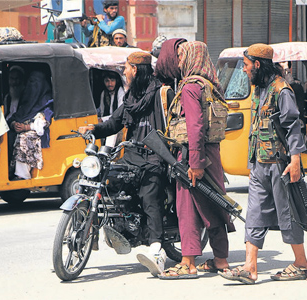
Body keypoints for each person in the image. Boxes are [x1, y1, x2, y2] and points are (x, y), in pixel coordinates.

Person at [221, 43, 307, 285]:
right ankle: (250, 267)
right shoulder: (260, 89)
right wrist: (252, 164)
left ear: (258, 65)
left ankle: (301, 263)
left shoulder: (282, 90)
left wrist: (295, 160)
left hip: (280, 164)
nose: (245, 71)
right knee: (255, 213)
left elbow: (293, 126)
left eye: (247, 66)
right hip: (259, 164)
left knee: (287, 213)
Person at [79, 52, 171, 277]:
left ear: (136, 70)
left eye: (127, 68)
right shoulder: (131, 98)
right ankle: (123, 229)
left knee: (151, 200)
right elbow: (114, 123)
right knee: (112, 189)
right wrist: (93, 128)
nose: (125, 73)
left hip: (153, 157)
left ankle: (157, 249)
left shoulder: (160, 93)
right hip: (130, 156)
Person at [154, 39, 235, 279]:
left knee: (186, 208)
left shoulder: (190, 87)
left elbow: (195, 126)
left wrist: (195, 163)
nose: (178, 62)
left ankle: (187, 263)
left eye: (181, 57)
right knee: (214, 204)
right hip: (211, 153)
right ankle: (220, 259)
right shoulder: (210, 85)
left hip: (192, 154)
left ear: (192, 58)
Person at [8, 71, 54, 180]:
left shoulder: (46, 100)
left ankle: (22, 174)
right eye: (31, 82)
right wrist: (14, 125)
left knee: (23, 138)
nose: (32, 85)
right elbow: (16, 116)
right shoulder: (28, 99)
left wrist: (26, 127)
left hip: (36, 132)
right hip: (22, 128)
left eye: (35, 82)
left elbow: (44, 122)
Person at [98, 71, 125, 147]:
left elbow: (119, 114)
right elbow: (102, 111)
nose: (110, 84)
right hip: (107, 121)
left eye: (112, 81)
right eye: (107, 81)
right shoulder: (104, 93)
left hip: (117, 123)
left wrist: (103, 119)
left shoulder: (120, 92)